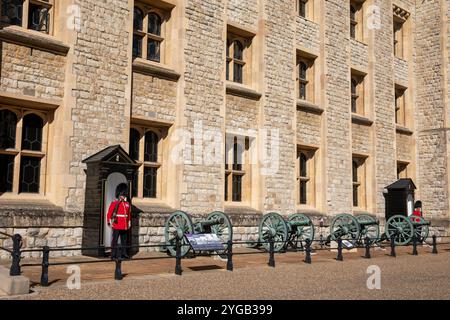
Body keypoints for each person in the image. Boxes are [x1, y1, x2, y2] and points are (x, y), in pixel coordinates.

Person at [107, 183, 131, 260]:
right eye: (122, 194)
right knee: (115, 240)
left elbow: (128, 214)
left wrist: (129, 222)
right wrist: (109, 222)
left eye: (124, 194)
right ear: (119, 194)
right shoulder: (115, 203)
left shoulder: (127, 204)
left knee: (124, 240)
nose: (123, 196)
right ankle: (113, 254)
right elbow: (109, 213)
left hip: (124, 225)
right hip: (117, 224)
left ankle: (124, 254)